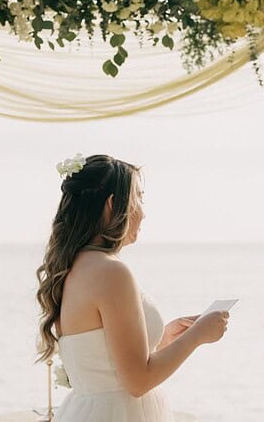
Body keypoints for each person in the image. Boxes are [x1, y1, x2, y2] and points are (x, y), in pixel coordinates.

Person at [36, 154, 229, 422]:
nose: (144, 211)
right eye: (138, 198)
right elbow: (138, 381)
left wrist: (166, 338)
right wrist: (197, 335)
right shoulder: (111, 272)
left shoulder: (74, 267)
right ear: (112, 205)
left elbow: (102, 358)